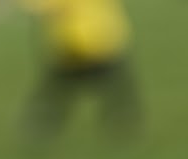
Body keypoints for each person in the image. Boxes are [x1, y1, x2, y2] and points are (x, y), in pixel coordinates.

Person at [20, 0, 141, 142]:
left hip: (79, 48)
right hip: (102, 45)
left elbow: (43, 8)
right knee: (118, 92)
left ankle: (39, 129)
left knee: (56, 95)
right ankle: (124, 126)